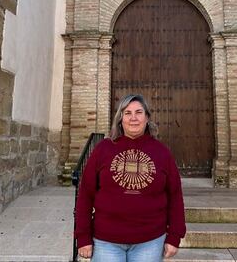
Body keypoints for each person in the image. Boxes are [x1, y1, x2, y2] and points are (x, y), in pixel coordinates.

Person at [75, 94, 186, 262]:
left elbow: (175, 196)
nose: (133, 118)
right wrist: (83, 236)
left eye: (139, 112)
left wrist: (174, 236)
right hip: (106, 240)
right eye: (127, 113)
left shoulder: (162, 152)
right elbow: (85, 195)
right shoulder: (103, 149)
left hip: (150, 241)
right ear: (120, 119)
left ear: (147, 117)